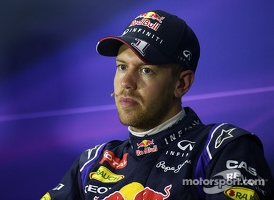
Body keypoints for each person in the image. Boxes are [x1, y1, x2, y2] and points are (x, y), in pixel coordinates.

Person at [41, 10, 274, 200]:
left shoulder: (222, 147)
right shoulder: (92, 161)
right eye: (122, 67)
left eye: (145, 70)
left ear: (181, 83)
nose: (126, 83)